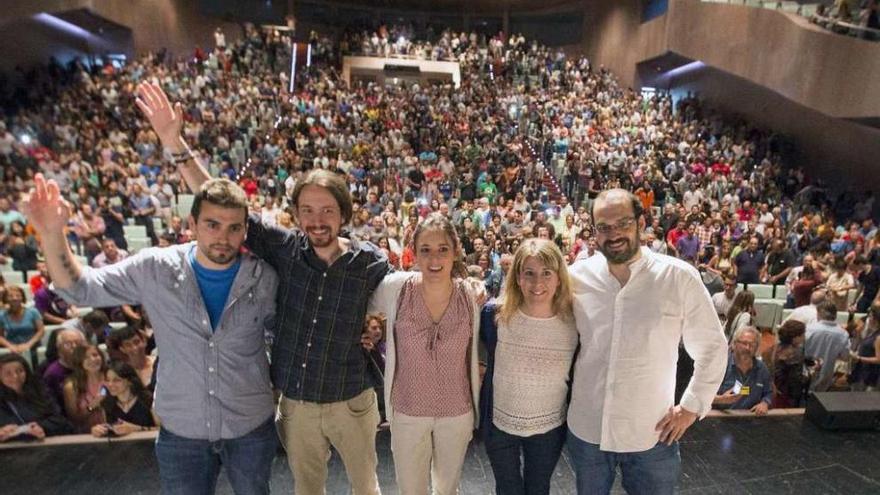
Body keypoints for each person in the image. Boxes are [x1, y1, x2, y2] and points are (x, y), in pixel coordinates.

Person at [137, 82, 390, 495]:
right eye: (307, 210)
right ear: (295, 214)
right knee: (308, 490)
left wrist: (374, 322)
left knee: (367, 489)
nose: (317, 220)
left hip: (352, 401)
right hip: (297, 405)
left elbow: (394, 300)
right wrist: (174, 142)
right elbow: (221, 203)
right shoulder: (284, 249)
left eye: (327, 210)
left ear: (344, 213)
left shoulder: (371, 262)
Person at [23, 174, 280, 494]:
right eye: (212, 224)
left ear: (245, 228)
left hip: (249, 428)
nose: (223, 238)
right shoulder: (155, 268)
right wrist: (51, 232)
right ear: (193, 223)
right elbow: (79, 289)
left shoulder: (265, 277)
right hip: (181, 432)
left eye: (234, 228)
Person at [566, 189, 728, 495]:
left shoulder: (678, 277)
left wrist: (692, 406)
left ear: (641, 222)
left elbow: (712, 346)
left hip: (651, 434)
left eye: (623, 223)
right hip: (588, 429)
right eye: (604, 227)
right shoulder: (576, 277)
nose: (613, 235)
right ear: (595, 232)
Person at [368, 214, 482, 495]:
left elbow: (483, 340)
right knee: (411, 489)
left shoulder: (470, 295)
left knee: (448, 489)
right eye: (426, 250)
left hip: (456, 411)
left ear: (455, 251)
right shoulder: (396, 288)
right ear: (414, 252)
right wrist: (368, 328)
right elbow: (363, 304)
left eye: (443, 249)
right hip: (408, 409)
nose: (434, 259)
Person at [480, 239, 578, 495]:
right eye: (529, 273)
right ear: (517, 278)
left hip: (548, 429)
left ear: (559, 277)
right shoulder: (494, 316)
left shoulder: (574, 321)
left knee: (538, 489)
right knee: (507, 489)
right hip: (499, 424)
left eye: (547, 273)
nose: (538, 283)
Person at [0, 353, 72, 442]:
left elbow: (59, 420)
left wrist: (40, 427)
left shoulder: (40, 391)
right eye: (8, 373)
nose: (15, 376)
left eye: (20, 371)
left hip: (43, 445)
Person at [713, 326, 772, 415]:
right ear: (734, 344)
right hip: (721, 422)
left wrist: (765, 403)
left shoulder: (762, 369)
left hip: (750, 422)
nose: (748, 348)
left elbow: (768, 392)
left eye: (752, 344)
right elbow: (702, 397)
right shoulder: (720, 365)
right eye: (744, 343)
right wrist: (721, 399)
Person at [91, 361, 158, 437]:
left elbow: (163, 430)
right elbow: (109, 429)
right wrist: (99, 430)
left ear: (129, 381)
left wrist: (136, 429)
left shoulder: (147, 399)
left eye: (116, 380)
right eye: (107, 380)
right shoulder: (107, 403)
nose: (110, 384)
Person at [804, 301, 850, 392]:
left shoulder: (808, 329)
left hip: (806, 373)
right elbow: (845, 357)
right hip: (826, 376)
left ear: (819, 314)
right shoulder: (843, 334)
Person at [61, 344, 107, 433]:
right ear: (79, 361)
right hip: (87, 434)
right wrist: (92, 406)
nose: (93, 359)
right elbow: (74, 419)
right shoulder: (71, 387)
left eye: (95, 355)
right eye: (86, 357)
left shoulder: (110, 377)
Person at [771, 320, 813, 408]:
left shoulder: (775, 347)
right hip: (787, 395)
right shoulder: (795, 354)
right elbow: (796, 380)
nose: (804, 337)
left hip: (774, 390)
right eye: (802, 335)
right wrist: (811, 372)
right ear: (795, 337)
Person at [42, 328, 86, 408]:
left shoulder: (89, 367)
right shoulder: (52, 374)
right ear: (59, 348)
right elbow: (51, 406)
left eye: (78, 343)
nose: (74, 346)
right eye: (68, 344)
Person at [0, 285, 45, 362]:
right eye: (10, 296)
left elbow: (41, 331)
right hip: (12, 350)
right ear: (5, 299)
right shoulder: (1, 315)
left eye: (18, 295)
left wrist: (28, 345)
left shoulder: (33, 312)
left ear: (22, 298)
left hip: (33, 348)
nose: (15, 298)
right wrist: (10, 346)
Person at [107, 326, 156, 390]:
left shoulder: (159, 363)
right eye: (128, 345)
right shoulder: (122, 371)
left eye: (137, 342)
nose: (134, 348)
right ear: (122, 349)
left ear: (144, 341)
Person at [849, 302, 880, 391]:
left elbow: (878, 360)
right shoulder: (873, 332)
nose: (868, 319)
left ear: (876, 319)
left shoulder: (878, 337)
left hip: (869, 374)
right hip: (862, 370)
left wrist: (859, 358)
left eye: (870, 317)